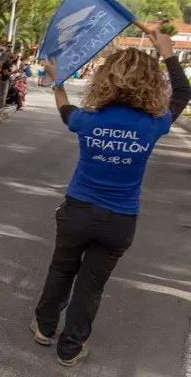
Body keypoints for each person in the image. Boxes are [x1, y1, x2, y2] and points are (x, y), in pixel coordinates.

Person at [30, 30, 191, 367]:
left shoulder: (88, 120)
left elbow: (65, 110)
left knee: (61, 270)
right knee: (91, 285)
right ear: (149, 83)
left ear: (107, 78)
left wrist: (57, 83)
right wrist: (167, 53)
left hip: (77, 211)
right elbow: (183, 93)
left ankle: (44, 328)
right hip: (119, 219)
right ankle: (70, 349)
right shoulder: (153, 124)